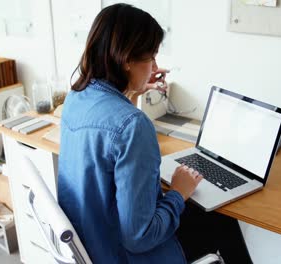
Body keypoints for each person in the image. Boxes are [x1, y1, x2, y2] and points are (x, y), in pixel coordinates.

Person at [58, 3, 252, 263]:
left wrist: (133, 90)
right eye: (151, 57)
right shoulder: (133, 126)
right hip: (125, 254)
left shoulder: (76, 97)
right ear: (126, 60)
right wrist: (179, 192)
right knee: (222, 221)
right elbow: (139, 237)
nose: (154, 66)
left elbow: (114, 133)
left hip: (94, 240)